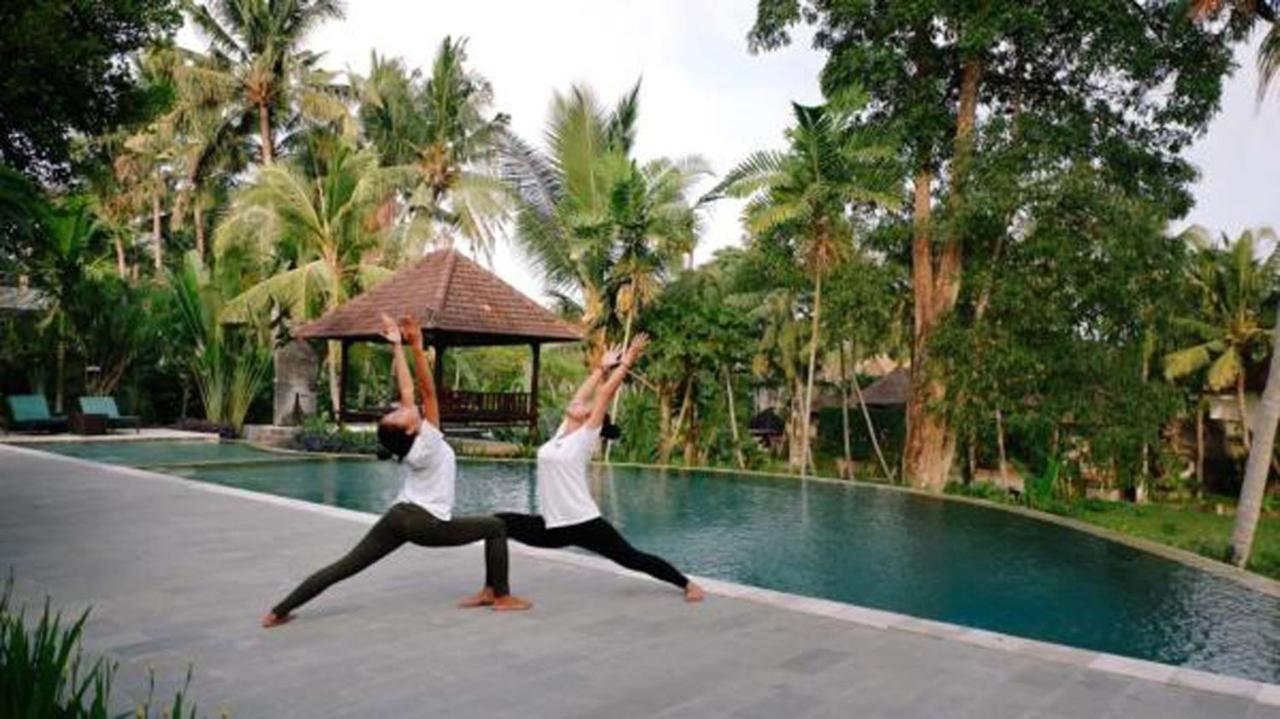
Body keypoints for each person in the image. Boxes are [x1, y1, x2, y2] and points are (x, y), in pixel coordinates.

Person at [261, 314, 531, 628]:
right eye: (403, 415)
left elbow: (408, 392)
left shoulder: (412, 443)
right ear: (410, 431)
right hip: (426, 523)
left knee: (347, 565)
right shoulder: (428, 441)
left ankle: (278, 611)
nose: (405, 408)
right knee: (497, 526)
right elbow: (428, 394)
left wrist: (397, 347)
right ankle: (501, 595)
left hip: (399, 516)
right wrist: (417, 346)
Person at [497, 334, 705, 602]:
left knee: (632, 558)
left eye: (584, 406)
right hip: (553, 525)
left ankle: (687, 584)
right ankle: (495, 590)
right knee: (496, 523)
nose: (577, 402)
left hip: (583, 522)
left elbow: (604, 394)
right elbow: (582, 394)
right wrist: (601, 368)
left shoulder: (584, 437)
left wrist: (626, 363)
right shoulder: (562, 432)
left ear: (589, 419)